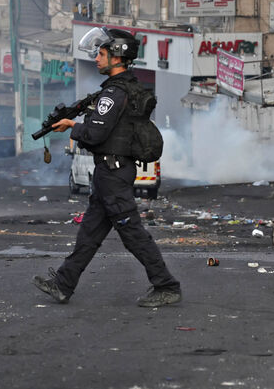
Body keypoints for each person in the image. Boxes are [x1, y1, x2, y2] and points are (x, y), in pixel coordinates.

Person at [32, 26, 181, 308]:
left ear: (117, 56)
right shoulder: (120, 89)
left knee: (132, 233)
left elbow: (95, 135)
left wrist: (72, 126)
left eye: (101, 54)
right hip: (108, 174)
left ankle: (166, 285)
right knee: (89, 233)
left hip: (113, 175)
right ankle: (63, 284)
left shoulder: (114, 94)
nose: (96, 59)